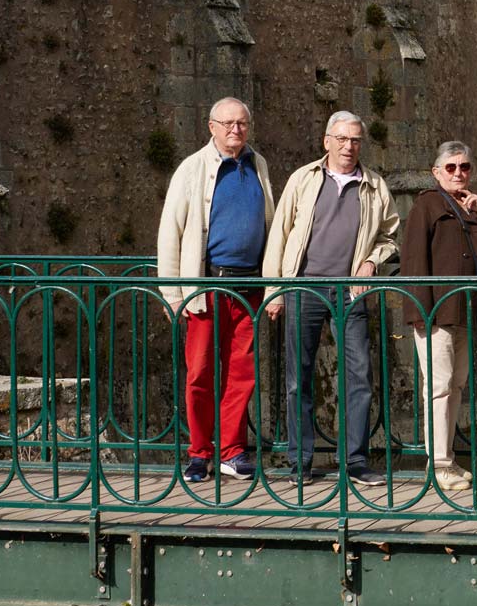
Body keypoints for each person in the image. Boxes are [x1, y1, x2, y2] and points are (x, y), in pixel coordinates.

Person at [263, 111, 400, 485]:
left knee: (359, 376)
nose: (348, 146)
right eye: (341, 138)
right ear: (327, 141)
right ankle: (300, 462)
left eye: (355, 140)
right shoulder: (303, 180)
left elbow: (390, 237)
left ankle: (354, 461)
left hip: (350, 292)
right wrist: (274, 292)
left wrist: (372, 261)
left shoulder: (374, 185)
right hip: (302, 288)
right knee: (298, 378)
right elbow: (279, 235)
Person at [156, 97, 276, 484]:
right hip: (205, 286)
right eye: (227, 124)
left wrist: (274, 283)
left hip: (249, 284)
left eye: (241, 123)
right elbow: (169, 232)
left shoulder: (258, 165)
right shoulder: (191, 169)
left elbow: (271, 225)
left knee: (242, 373)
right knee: (200, 372)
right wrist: (173, 292)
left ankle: (232, 452)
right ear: (211, 126)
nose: (235, 130)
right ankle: (199, 452)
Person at [397, 141, 477, 493]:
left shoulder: (472, 206)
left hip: (466, 309)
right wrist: (417, 312)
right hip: (437, 312)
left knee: (456, 384)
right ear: (437, 172)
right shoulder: (427, 205)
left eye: (465, 167)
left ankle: (448, 457)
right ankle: (439, 465)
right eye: (452, 167)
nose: (459, 173)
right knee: (439, 386)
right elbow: (412, 260)